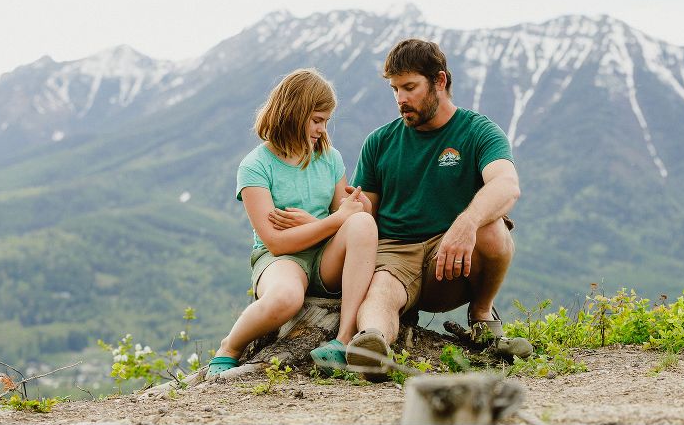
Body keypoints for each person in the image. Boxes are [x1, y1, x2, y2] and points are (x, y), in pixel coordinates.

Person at [345, 39, 532, 381]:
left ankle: (483, 319)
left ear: (440, 81)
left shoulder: (478, 131)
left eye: (410, 87)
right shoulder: (380, 141)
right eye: (395, 89)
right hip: (395, 256)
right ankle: (372, 348)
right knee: (381, 291)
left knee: (492, 227)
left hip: (451, 262)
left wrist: (466, 222)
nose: (401, 99)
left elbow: (507, 185)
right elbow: (363, 210)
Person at [207, 68, 377, 377]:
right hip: (281, 259)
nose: (322, 130)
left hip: (325, 256)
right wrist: (337, 219)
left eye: (326, 121)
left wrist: (354, 209)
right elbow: (276, 241)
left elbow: (347, 219)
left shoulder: (330, 158)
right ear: (293, 114)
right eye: (316, 120)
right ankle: (229, 347)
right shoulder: (255, 166)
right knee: (285, 298)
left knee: (364, 223)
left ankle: (344, 340)